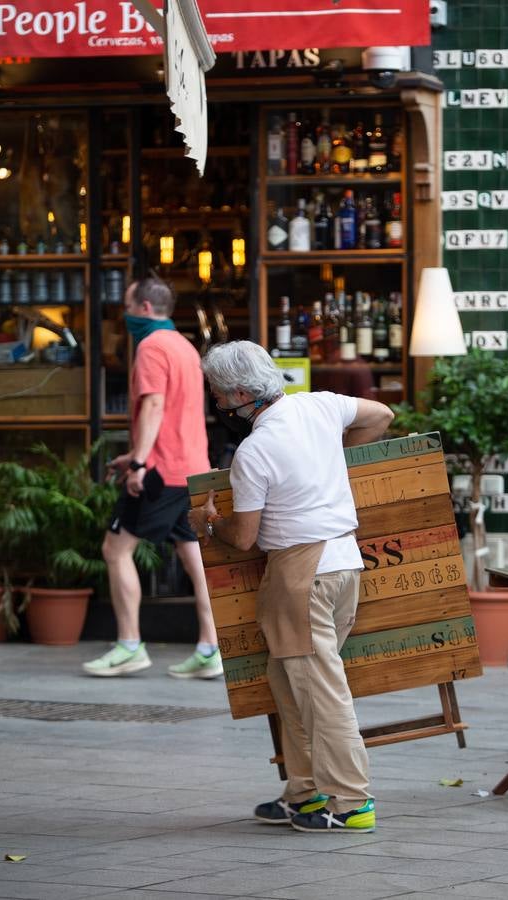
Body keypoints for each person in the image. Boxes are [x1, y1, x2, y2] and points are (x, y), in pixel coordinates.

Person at [189, 341, 394, 832]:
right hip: (344, 563)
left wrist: (207, 523)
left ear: (240, 393)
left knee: (321, 692)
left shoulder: (254, 450)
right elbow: (382, 414)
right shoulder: (320, 404)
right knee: (290, 684)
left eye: (218, 395)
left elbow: (244, 538)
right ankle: (305, 793)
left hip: (300, 574)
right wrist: (335, 457)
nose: (217, 404)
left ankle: (351, 804)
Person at [82, 276, 221, 679]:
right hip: (190, 468)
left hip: (161, 472)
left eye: (126, 306)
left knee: (115, 549)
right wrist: (134, 455)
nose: (123, 315)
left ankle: (129, 645)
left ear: (144, 308)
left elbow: (156, 406)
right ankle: (211, 648)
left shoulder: (151, 346)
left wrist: (140, 462)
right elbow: (177, 414)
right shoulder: (182, 345)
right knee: (193, 557)